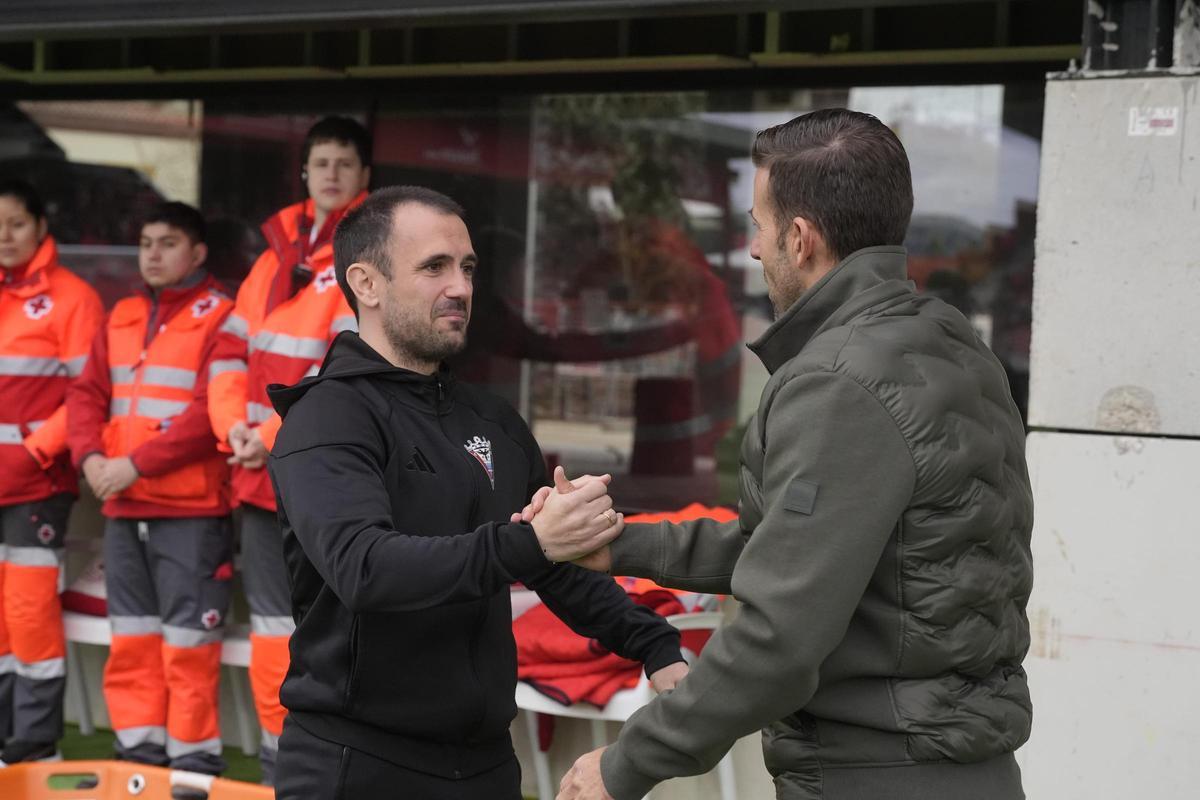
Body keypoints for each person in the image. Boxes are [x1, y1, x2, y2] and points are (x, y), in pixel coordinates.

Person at [540, 109, 1035, 800]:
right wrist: (618, 545)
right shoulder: (950, 343)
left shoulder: (839, 381)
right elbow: (807, 554)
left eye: (759, 225)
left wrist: (627, 763)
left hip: (874, 773)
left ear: (800, 239)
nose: (752, 248)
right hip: (962, 769)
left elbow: (779, 636)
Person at [265, 186, 688, 800]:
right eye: (434, 267)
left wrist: (654, 644)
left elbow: (556, 567)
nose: (460, 287)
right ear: (366, 283)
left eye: (467, 268)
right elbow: (364, 568)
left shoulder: (493, 422)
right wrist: (529, 543)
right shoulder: (327, 418)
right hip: (355, 765)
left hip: (485, 765)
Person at [206, 115, 370, 783]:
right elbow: (228, 349)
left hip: (322, 475)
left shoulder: (368, 254)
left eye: (344, 163)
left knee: (332, 627)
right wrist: (232, 431)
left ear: (364, 175)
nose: (330, 174)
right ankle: (281, 767)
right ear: (303, 172)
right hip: (255, 473)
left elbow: (346, 367)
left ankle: (325, 769)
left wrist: (269, 436)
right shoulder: (273, 256)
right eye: (320, 162)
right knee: (274, 628)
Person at [66, 202, 234, 788]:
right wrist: (90, 458)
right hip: (123, 505)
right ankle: (137, 765)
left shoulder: (222, 315)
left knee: (188, 649)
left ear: (198, 253)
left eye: (167, 243)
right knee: (132, 643)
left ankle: (191, 772)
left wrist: (133, 465)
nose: (153, 255)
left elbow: (208, 413)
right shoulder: (124, 312)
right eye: (145, 243)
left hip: (191, 510)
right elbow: (85, 394)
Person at [0, 179, 104, 766]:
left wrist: (34, 452)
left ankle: (36, 742)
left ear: (40, 227)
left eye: (16, 223)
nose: (4, 236)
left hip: (36, 482)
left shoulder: (73, 298)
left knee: (29, 611)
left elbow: (85, 393)